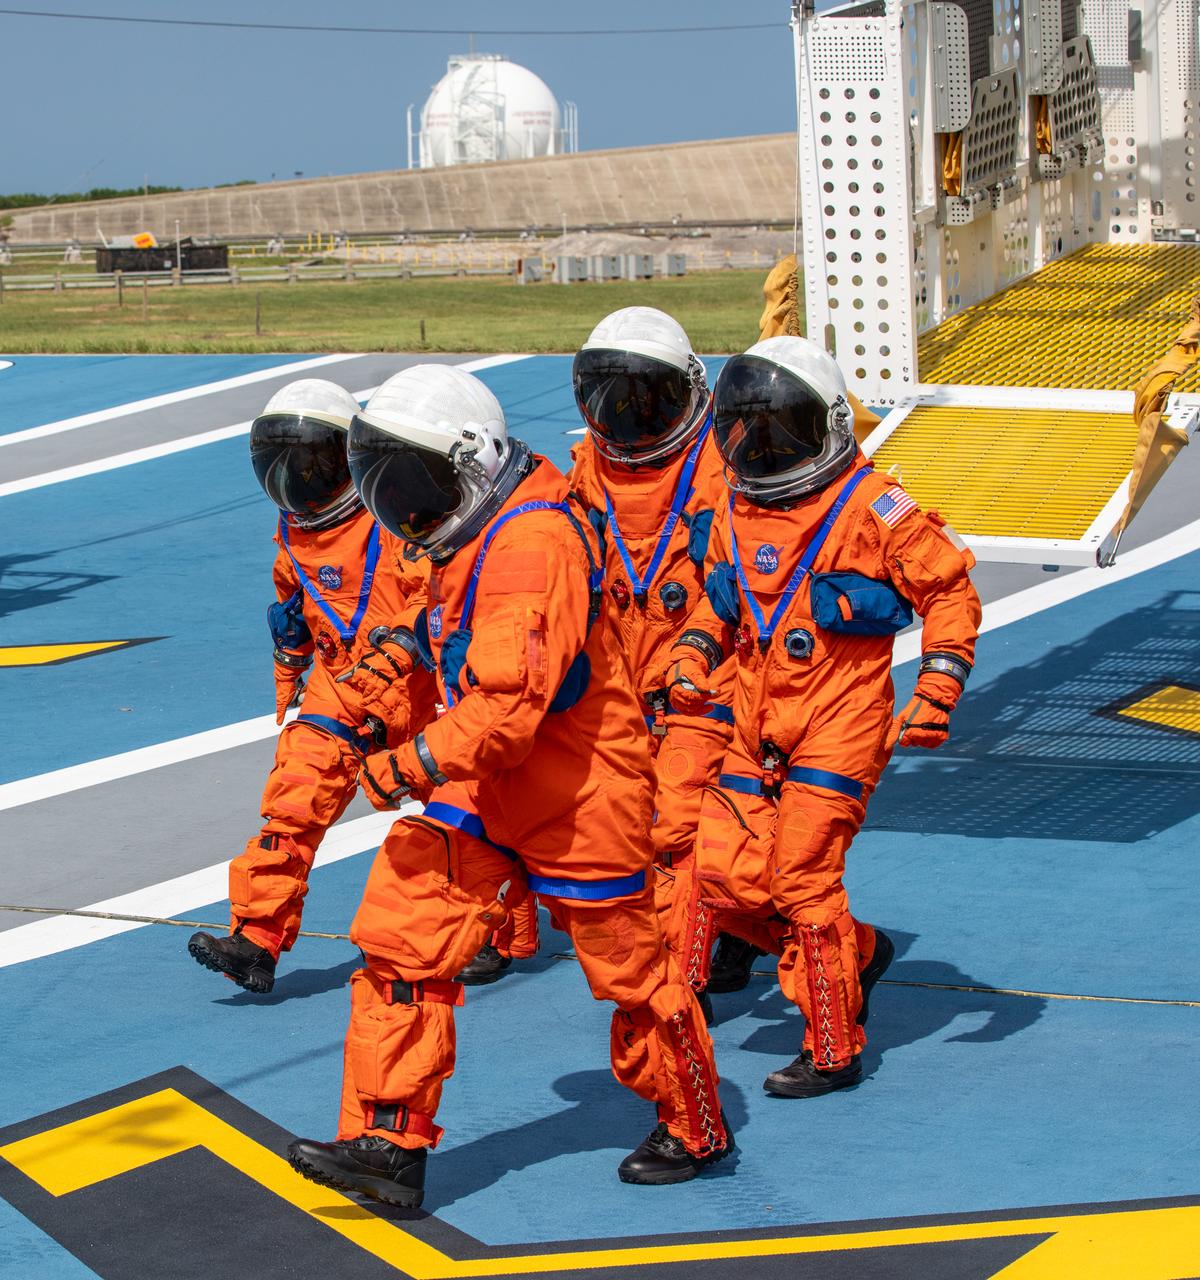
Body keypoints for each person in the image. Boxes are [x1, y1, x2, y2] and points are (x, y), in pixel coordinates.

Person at [285, 365, 731, 1207]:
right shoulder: (466, 532)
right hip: (489, 789)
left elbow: (505, 707)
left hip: (579, 790)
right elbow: (438, 634)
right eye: (388, 483)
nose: (401, 505)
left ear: (471, 465)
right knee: (402, 935)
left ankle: (693, 1121)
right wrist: (381, 680)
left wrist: (401, 766)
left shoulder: (533, 543)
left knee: (632, 975)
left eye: (413, 484)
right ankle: (387, 1141)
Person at [661, 337, 981, 1097]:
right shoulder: (735, 509)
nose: (761, 446)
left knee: (803, 882)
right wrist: (691, 657)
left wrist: (936, 692)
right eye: (748, 430)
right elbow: (719, 600)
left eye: (779, 429)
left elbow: (951, 593)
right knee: (722, 872)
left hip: (839, 721)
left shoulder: (875, 508)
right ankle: (856, 952)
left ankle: (833, 1047)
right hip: (751, 717)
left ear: (831, 424)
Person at [188, 379, 436, 994]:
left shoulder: (397, 511)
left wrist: (403, 647)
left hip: (419, 692)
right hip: (340, 686)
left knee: (467, 817)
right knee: (291, 802)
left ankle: (497, 934)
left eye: (310, 466)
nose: (296, 481)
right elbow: (292, 606)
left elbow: (441, 599)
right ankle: (256, 940)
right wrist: (289, 664)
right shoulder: (293, 531)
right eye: (283, 468)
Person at [567, 307, 747, 996]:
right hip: (622, 681)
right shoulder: (586, 469)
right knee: (646, 827)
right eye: (611, 400)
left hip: (708, 678)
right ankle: (717, 938)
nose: (629, 418)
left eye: (646, 399)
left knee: (687, 829)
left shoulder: (722, 464)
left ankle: (676, 979)